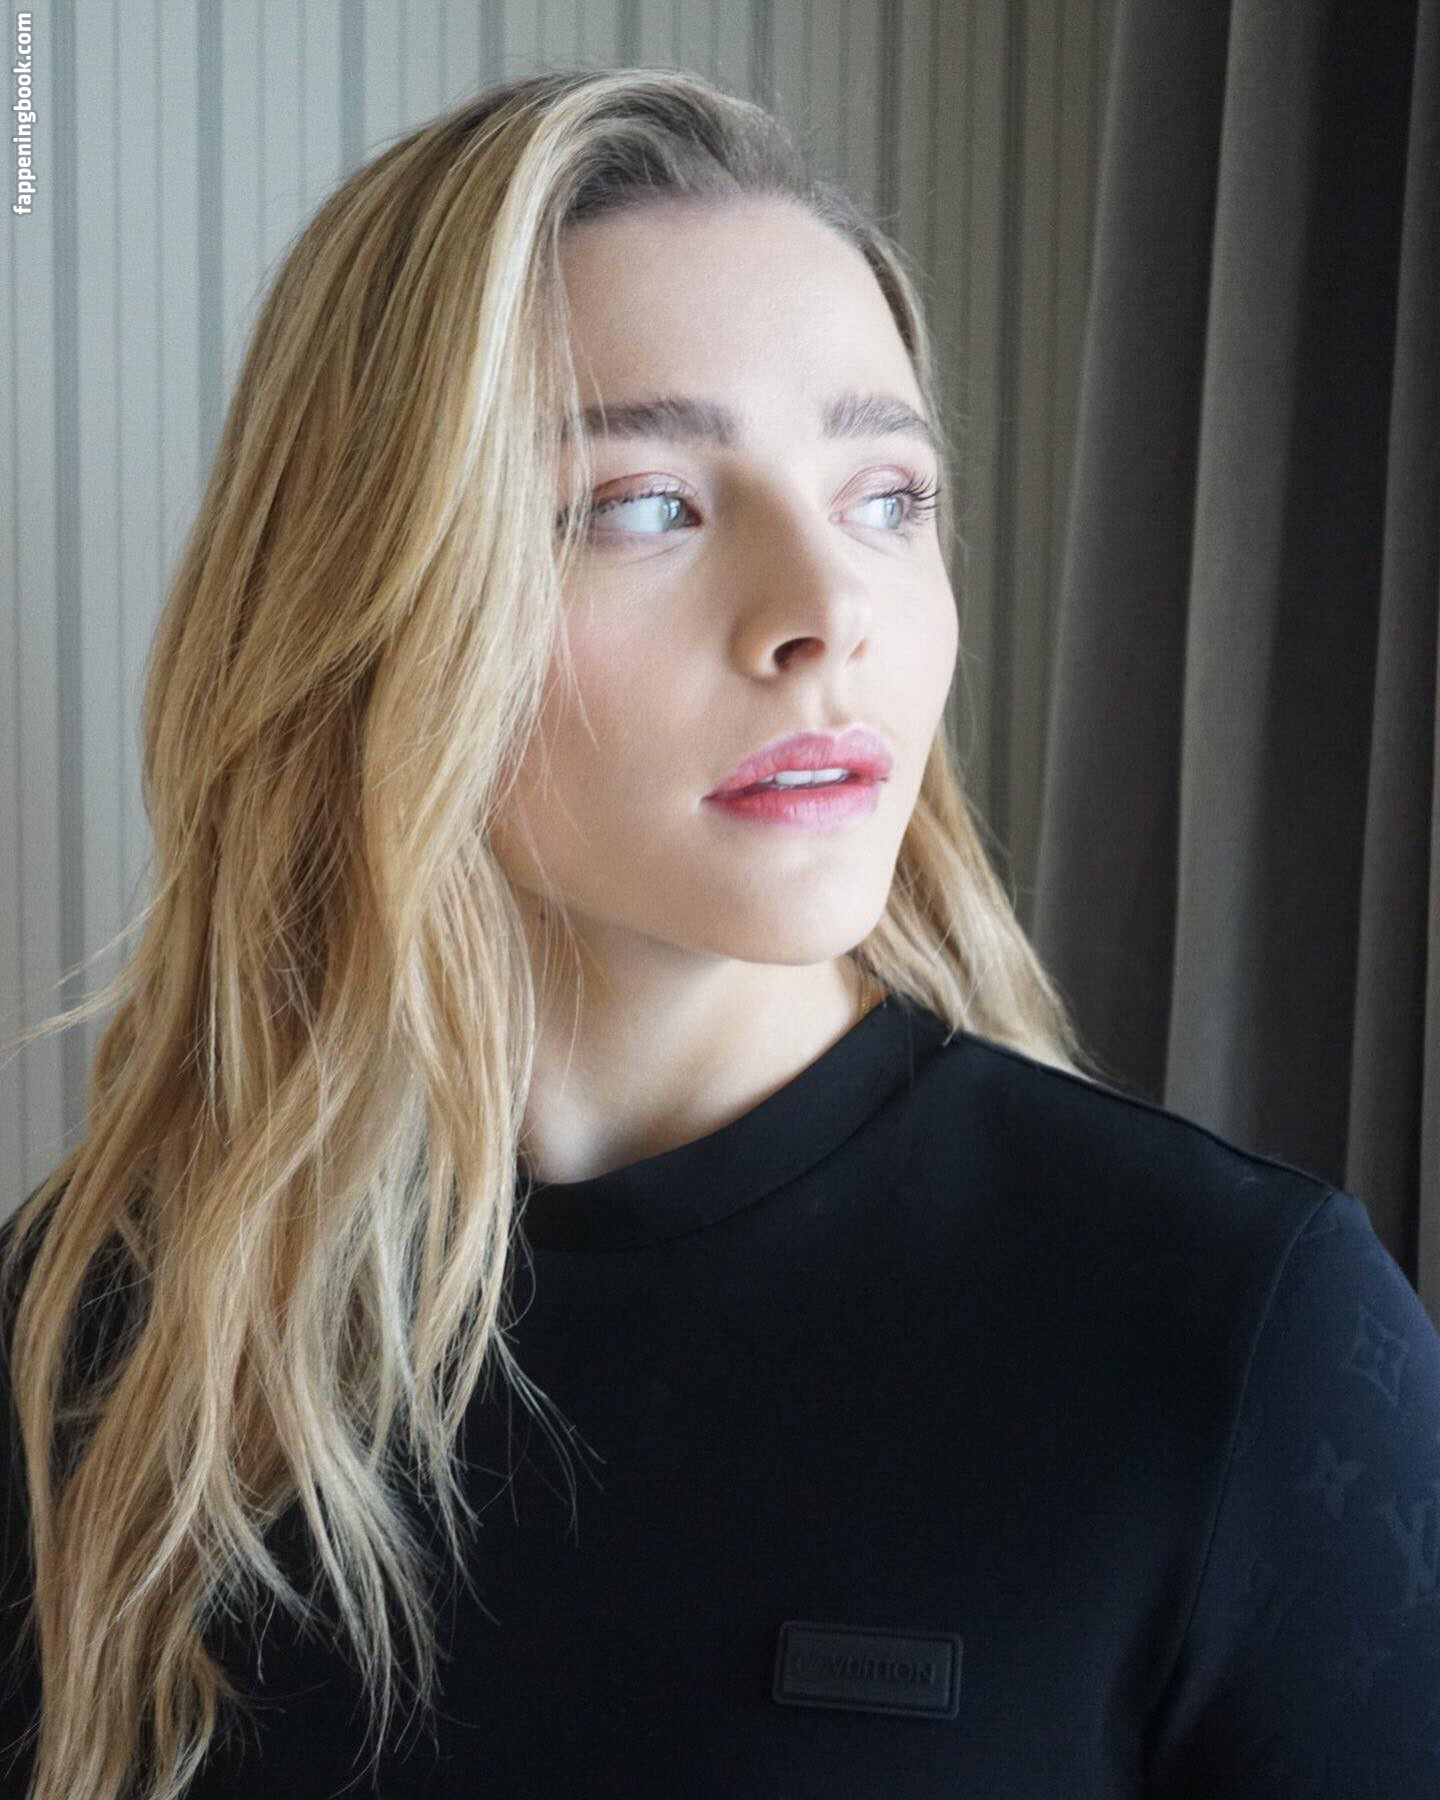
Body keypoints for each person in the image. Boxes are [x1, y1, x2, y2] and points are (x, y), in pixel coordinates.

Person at [1, 65, 1437, 1800]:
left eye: (888, 496)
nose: (828, 611)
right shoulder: (93, 1336)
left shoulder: (1238, 1333)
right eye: (647, 505)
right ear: (362, 601)